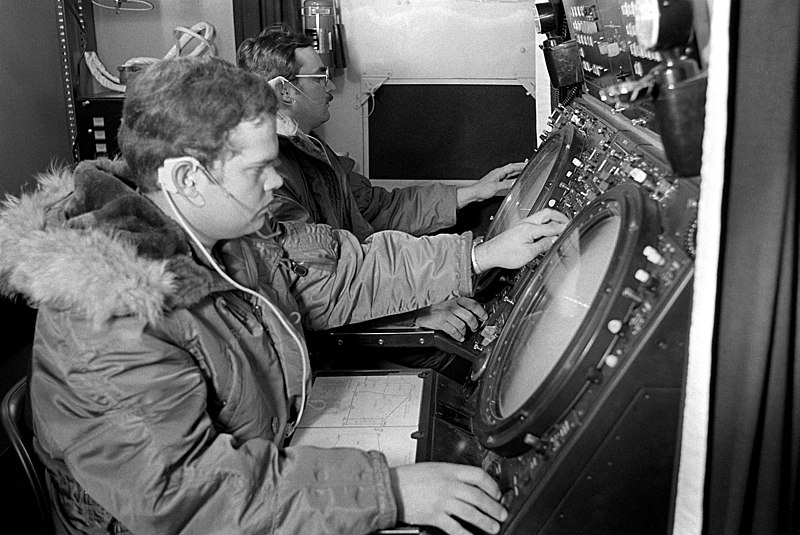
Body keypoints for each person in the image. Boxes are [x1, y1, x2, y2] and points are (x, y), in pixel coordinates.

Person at [0, 56, 567, 534]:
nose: (276, 182)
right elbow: (184, 495)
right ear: (187, 180)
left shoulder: (220, 233)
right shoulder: (113, 321)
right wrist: (386, 491)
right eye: (260, 168)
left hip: (259, 449)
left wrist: (475, 256)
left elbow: (338, 274)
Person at [236, 26, 525, 363]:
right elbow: (320, 286)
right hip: (331, 338)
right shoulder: (269, 179)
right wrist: (417, 307)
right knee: (470, 349)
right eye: (319, 76)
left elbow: (375, 209)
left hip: (365, 298)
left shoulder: (312, 150)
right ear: (285, 92)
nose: (330, 86)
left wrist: (473, 192)